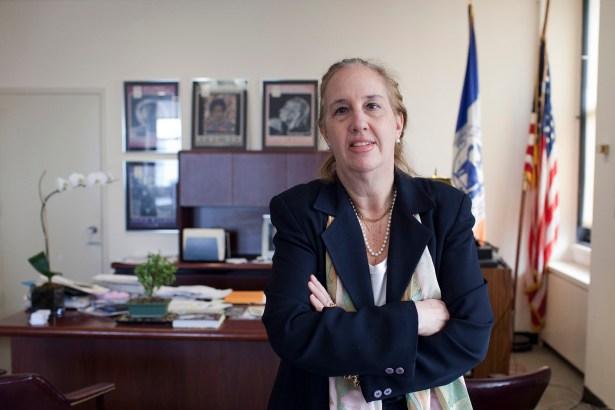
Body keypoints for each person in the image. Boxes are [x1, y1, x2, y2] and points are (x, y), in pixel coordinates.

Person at [262, 58, 494, 409]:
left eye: (372, 105)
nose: (359, 122)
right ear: (326, 132)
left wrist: (346, 337)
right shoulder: (299, 212)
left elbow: (471, 336)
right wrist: (416, 318)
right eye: (342, 110)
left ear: (397, 123)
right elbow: (291, 333)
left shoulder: (447, 209)